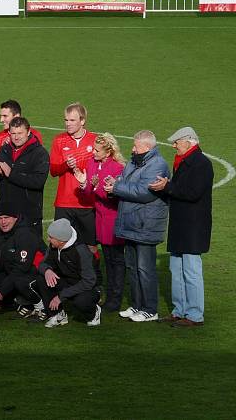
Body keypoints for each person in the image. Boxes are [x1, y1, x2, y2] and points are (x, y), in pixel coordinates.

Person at [148, 127, 212, 327]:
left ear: (189, 142)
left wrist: (167, 186)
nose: (174, 145)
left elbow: (192, 193)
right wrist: (166, 187)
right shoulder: (185, 162)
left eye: (177, 142)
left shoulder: (201, 164)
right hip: (181, 225)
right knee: (176, 269)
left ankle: (194, 315)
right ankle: (179, 310)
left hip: (193, 227)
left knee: (191, 271)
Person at [107, 130, 169, 323]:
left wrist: (117, 188)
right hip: (131, 222)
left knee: (145, 268)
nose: (133, 149)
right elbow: (126, 183)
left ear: (148, 147)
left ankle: (150, 309)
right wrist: (115, 183)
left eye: (136, 146)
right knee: (132, 266)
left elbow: (145, 192)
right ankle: (137, 305)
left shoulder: (158, 165)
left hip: (145, 224)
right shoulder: (135, 161)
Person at [73, 133, 126, 312]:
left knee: (116, 260)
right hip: (101, 218)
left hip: (113, 219)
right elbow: (89, 193)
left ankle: (115, 297)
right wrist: (85, 186)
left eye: (97, 150)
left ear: (108, 151)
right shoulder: (92, 163)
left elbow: (115, 196)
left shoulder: (118, 168)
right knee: (108, 259)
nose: (93, 153)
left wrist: (94, 187)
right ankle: (111, 295)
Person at [49, 103, 98, 277]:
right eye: (66, 120)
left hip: (87, 203)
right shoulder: (59, 140)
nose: (68, 123)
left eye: (72, 120)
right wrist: (65, 165)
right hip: (64, 202)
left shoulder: (95, 140)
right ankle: (59, 282)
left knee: (91, 246)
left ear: (82, 121)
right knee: (57, 242)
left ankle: (94, 283)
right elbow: (53, 170)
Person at [0, 117, 49, 237]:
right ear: (9, 133)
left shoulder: (40, 153)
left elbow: (38, 181)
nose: (16, 137)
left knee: (30, 251)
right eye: (13, 133)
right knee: (5, 251)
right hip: (6, 213)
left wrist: (11, 173)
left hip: (28, 214)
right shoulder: (4, 150)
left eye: (20, 133)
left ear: (28, 132)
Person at [36, 219, 101, 328]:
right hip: (67, 281)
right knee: (41, 278)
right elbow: (42, 264)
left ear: (61, 241)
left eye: (51, 238)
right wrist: (47, 270)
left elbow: (89, 281)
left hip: (88, 287)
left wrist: (61, 296)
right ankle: (57, 314)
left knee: (82, 301)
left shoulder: (81, 251)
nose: (48, 239)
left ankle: (94, 312)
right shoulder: (54, 246)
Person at [0, 202, 46, 320]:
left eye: (6, 218)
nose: (3, 222)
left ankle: (41, 306)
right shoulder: (1, 233)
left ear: (15, 217)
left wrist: (2, 291)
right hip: (18, 270)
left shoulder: (25, 234)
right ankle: (21, 302)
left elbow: (22, 268)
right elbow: (3, 258)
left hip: (39, 274)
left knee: (19, 281)